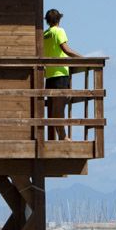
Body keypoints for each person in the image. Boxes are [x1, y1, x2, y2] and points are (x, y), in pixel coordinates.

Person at [42, 9, 83, 141]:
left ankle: (61, 136)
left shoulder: (45, 34)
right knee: (59, 107)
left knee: (54, 108)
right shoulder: (59, 31)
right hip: (60, 73)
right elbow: (65, 49)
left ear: (47, 20)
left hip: (49, 75)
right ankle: (63, 137)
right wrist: (82, 58)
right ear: (59, 19)